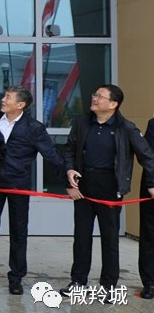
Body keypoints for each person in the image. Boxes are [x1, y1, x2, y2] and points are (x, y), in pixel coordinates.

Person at [60, 84, 154, 297]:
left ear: (113, 104)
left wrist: (151, 183)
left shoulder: (126, 127)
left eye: (100, 96)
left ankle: (109, 286)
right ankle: (78, 282)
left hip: (110, 187)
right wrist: (69, 173)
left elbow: (148, 157)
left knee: (109, 238)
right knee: (81, 237)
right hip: (83, 186)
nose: (94, 98)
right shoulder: (82, 123)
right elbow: (69, 150)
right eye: (94, 94)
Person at [0, 86, 65, 295]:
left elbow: (51, 155)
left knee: (18, 231)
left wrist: (68, 178)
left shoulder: (34, 127)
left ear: (21, 104)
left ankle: (16, 277)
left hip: (18, 183)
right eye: (5, 95)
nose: (3, 99)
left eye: (8, 97)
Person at [138, 117, 154, 299]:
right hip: (151, 190)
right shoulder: (153, 124)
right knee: (150, 235)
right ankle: (150, 282)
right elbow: (148, 156)